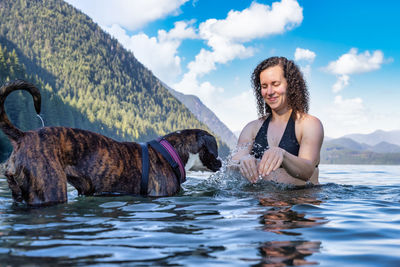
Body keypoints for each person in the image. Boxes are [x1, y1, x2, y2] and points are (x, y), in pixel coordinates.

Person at [230, 57, 323, 186]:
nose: (269, 92)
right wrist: (243, 161)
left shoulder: (309, 124)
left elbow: (307, 170)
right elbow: (231, 165)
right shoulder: (252, 128)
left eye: (275, 84)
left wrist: (283, 155)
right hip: (260, 203)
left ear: (290, 84)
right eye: (264, 86)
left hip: (301, 202)